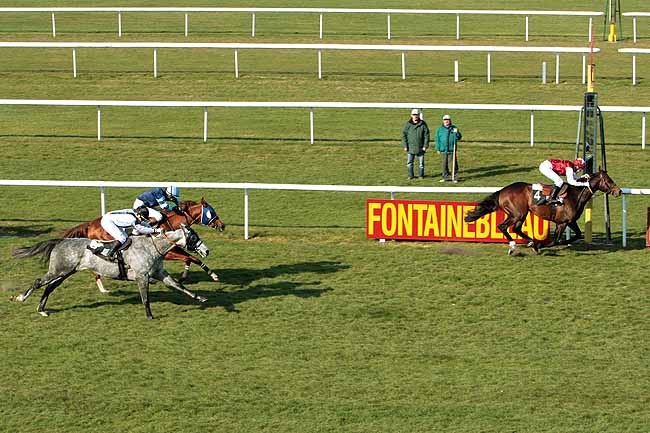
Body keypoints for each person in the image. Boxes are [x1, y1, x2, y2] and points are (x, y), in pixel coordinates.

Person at [401, 108, 430, 180]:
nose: (415, 116)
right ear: (411, 115)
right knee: (409, 163)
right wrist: (405, 146)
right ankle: (410, 176)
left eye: (416, 115)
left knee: (421, 164)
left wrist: (425, 146)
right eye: (414, 115)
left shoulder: (423, 124)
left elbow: (426, 135)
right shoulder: (408, 124)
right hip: (410, 147)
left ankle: (421, 175)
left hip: (420, 147)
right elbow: (404, 135)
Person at [435, 114, 462, 183]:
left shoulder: (454, 128)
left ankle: (455, 177)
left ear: (450, 120)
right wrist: (438, 148)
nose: (446, 121)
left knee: (453, 164)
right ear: (443, 121)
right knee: (444, 164)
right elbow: (437, 139)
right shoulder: (439, 129)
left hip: (451, 149)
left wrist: (457, 133)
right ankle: (445, 177)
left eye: (447, 120)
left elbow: (459, 137)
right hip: (443, 150)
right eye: (445, 120)